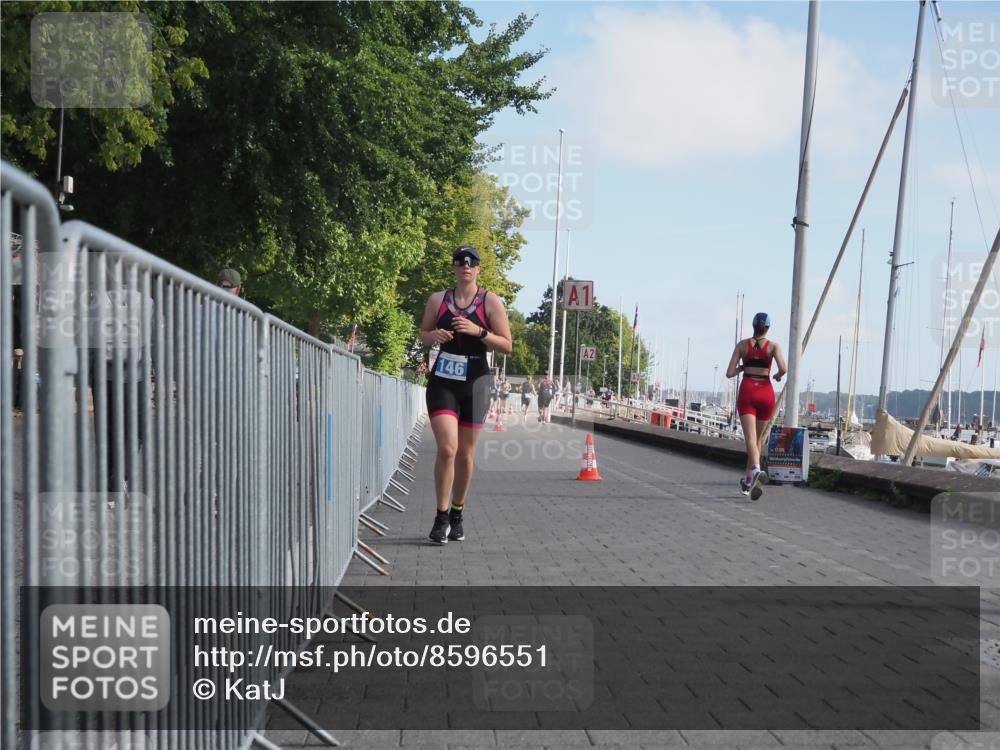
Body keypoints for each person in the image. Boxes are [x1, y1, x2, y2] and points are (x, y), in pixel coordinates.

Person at [420, 245, 512, 544]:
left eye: (471, 263)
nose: (466, 267)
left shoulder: (491, 302)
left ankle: (458, 513)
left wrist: (478, 331)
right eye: (460, 262)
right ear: (453, 268)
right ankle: (441, 515)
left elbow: (507, 345)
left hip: (476, 382)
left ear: (478, 269)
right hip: (444, 380)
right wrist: (432, 337)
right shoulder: (438, 300)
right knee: (447, 448)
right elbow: (423, 332)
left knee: (465, 454)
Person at [725, 312, 787, 500]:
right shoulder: (774, 346)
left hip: (748, 391)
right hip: (766, 392)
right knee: (758, 440)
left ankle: (757, 470)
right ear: (768, 328)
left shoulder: (742, 345)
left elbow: (729, 373)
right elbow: (783, 368)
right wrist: (777, 376)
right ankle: (748, 481)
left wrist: (742, 368)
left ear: (753, 326)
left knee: (751, 440)